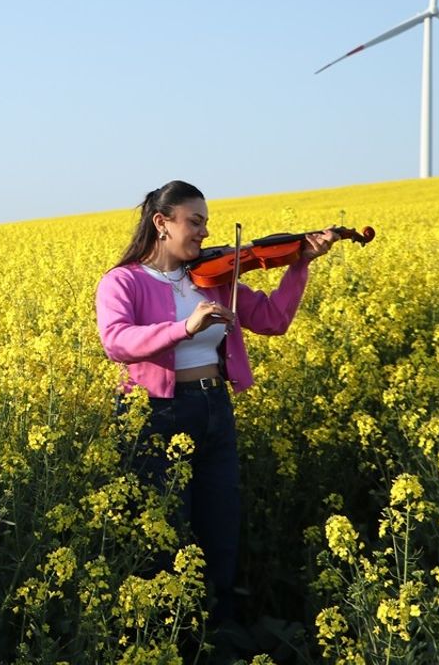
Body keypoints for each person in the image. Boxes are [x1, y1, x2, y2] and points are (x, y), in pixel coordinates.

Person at [94, 180, 338, 628]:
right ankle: (164, 633)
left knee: (221, 526)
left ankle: (218, 627)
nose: (205, 233)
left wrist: (299, 265)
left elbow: (273, 319)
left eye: (206, 222)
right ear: (161, 223)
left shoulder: (211, 278)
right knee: (165, 527)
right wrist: (185, 327)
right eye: (195, 221)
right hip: (157, 413)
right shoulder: (122, 281)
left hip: (214, 409)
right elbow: (117, 342)